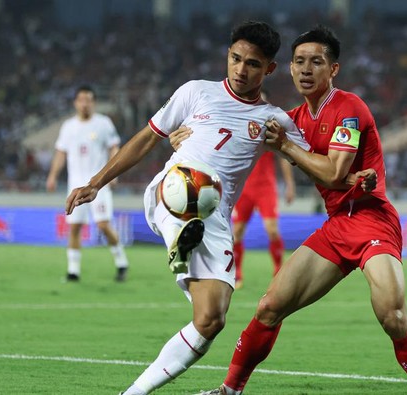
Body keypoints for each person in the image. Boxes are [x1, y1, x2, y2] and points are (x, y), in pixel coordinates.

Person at [65, 21, 312, 395]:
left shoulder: (273, 120)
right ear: (227, 56)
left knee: (211, 319)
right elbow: (148, 138)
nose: (241, 70)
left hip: (214, 216)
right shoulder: (195, 92)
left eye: (252, 64)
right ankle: (182, 231)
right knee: (195, 187)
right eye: (235, 59)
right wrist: (96, 183)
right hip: (176, 186)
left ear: (269, 69)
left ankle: (132, 393)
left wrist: (346, 170)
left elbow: (322, 163)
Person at [201, 26, 407, 395]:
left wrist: (290, 150)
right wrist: (184, 135)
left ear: (333, 69)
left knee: (392, 315)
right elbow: (230, 132)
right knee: (268, 308)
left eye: (316, 62)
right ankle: (229, 390)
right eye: (299, 62)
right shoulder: (292, 120)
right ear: (289, 69)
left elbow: (336, 172)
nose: (306, 70)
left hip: (373, 220)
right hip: (338, 225)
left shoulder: (349, 107)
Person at [46, 85, 129, 282]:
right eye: (81, 100)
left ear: (94, 103)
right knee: (74, 227)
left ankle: (121, 262)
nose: (85, 103)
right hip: (75, 183)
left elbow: (114, 148)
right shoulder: (68, 126)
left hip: (99, 183)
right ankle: (73, 270)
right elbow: (60, 153)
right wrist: (52, 175)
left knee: (102, 224)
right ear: (76, 103)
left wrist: (113, 174)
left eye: (88, 100)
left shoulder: (103, 123)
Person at [231, 150, 295, 289]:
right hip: (244, 188)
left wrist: (289, 184)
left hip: (265, 187)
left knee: (272, 230)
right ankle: (237, 273)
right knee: (237, 231)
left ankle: (278, 270)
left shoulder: (267, 130)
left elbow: (283, 157)